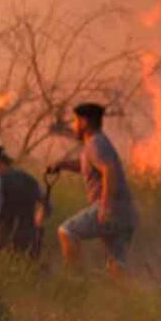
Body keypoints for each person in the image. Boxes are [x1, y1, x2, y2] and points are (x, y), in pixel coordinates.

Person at [49, 103, 137, 275]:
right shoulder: (98, 143)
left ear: (84, 122)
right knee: (116, 265)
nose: (73, 126)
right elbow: (87, 166)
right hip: (125, 211)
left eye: (75, 121)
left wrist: (105, 206)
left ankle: (75, 281)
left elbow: (108, 169)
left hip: (113, 208)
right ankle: (127, 299)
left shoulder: (95, 144)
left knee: (67, 231)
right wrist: (61, 164)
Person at [0, 145, 44, 255]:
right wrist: (37, 220)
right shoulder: (29, 178)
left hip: (7, 237)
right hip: (32, 239)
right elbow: (47, 204)